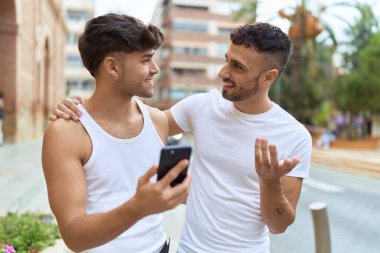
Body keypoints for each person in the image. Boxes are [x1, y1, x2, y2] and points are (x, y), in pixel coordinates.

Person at [51, 23, 312, 253]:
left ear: (268, 77)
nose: (223, 72)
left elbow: (278, 226)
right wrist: (81, 105)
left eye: (237, 67)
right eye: (226, 60)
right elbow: (130, 125)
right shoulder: (200, 107)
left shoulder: (294, 136)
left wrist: (269, 182)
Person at [42, 14, 191, 253]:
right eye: (145, 60)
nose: (155, 69)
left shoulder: (158, 121)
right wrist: (138, 207)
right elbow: (73, 236)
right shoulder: (66, 133)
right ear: (113, 66)